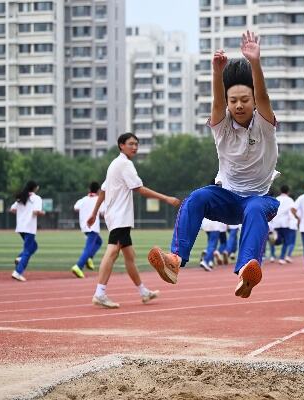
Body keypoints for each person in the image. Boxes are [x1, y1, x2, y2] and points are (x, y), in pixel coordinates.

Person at [147, 30, 280, 299]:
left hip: (258, 199)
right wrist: (217, 73)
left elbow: (264, 97)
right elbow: (217, 103)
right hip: (227, 198)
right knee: (196, 197)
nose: (239, 105)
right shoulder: (222, 128)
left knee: (254, 208)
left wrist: (255, 63)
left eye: (245, 100)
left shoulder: (264, 126)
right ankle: (175, 260)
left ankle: (246, 272)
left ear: (254, 103)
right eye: (234, 101)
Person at [87, 133, 181, 309]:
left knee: (130, 257)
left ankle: (143, 292)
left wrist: (94, 214)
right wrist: (166, 198)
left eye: (136, 144)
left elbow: (103, 191)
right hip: (119, 216)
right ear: (121, 145)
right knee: (113, 251)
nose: (135, 147)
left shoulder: (115, 164)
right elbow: (139, 188)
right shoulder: (124, 164)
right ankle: (99, 293)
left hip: (116, 215)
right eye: (131, 144)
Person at [9, 181, 45, 282]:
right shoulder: (36, 198)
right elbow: (36, 211)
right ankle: (18, 272)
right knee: (28, 250)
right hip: (29, 227)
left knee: (34, 246)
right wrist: (42, 213)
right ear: (35, 188)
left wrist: (22, 212)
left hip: (20, 227)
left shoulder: (22, 197)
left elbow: (12, 209)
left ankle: (20, 258)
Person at [70, 182, 104, 278]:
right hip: (93, 226)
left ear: (89, 190)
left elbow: (76, 208)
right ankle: (78, 266)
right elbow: (103, 212)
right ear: (98, 190)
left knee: (99, 242)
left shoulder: (83, 200)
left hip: (84, 226)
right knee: (88, 248)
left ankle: (89, 258)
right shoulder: (98, 200)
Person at [274, 185, 297, 265]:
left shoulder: (276, 199)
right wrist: (296, 217)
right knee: (286, 242)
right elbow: (293, 209)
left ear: (280, 191)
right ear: (288, 191)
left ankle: (276, 240)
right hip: (285, 223)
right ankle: (281, 257)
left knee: (279, 239)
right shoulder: (290, 200)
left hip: (276, 223)